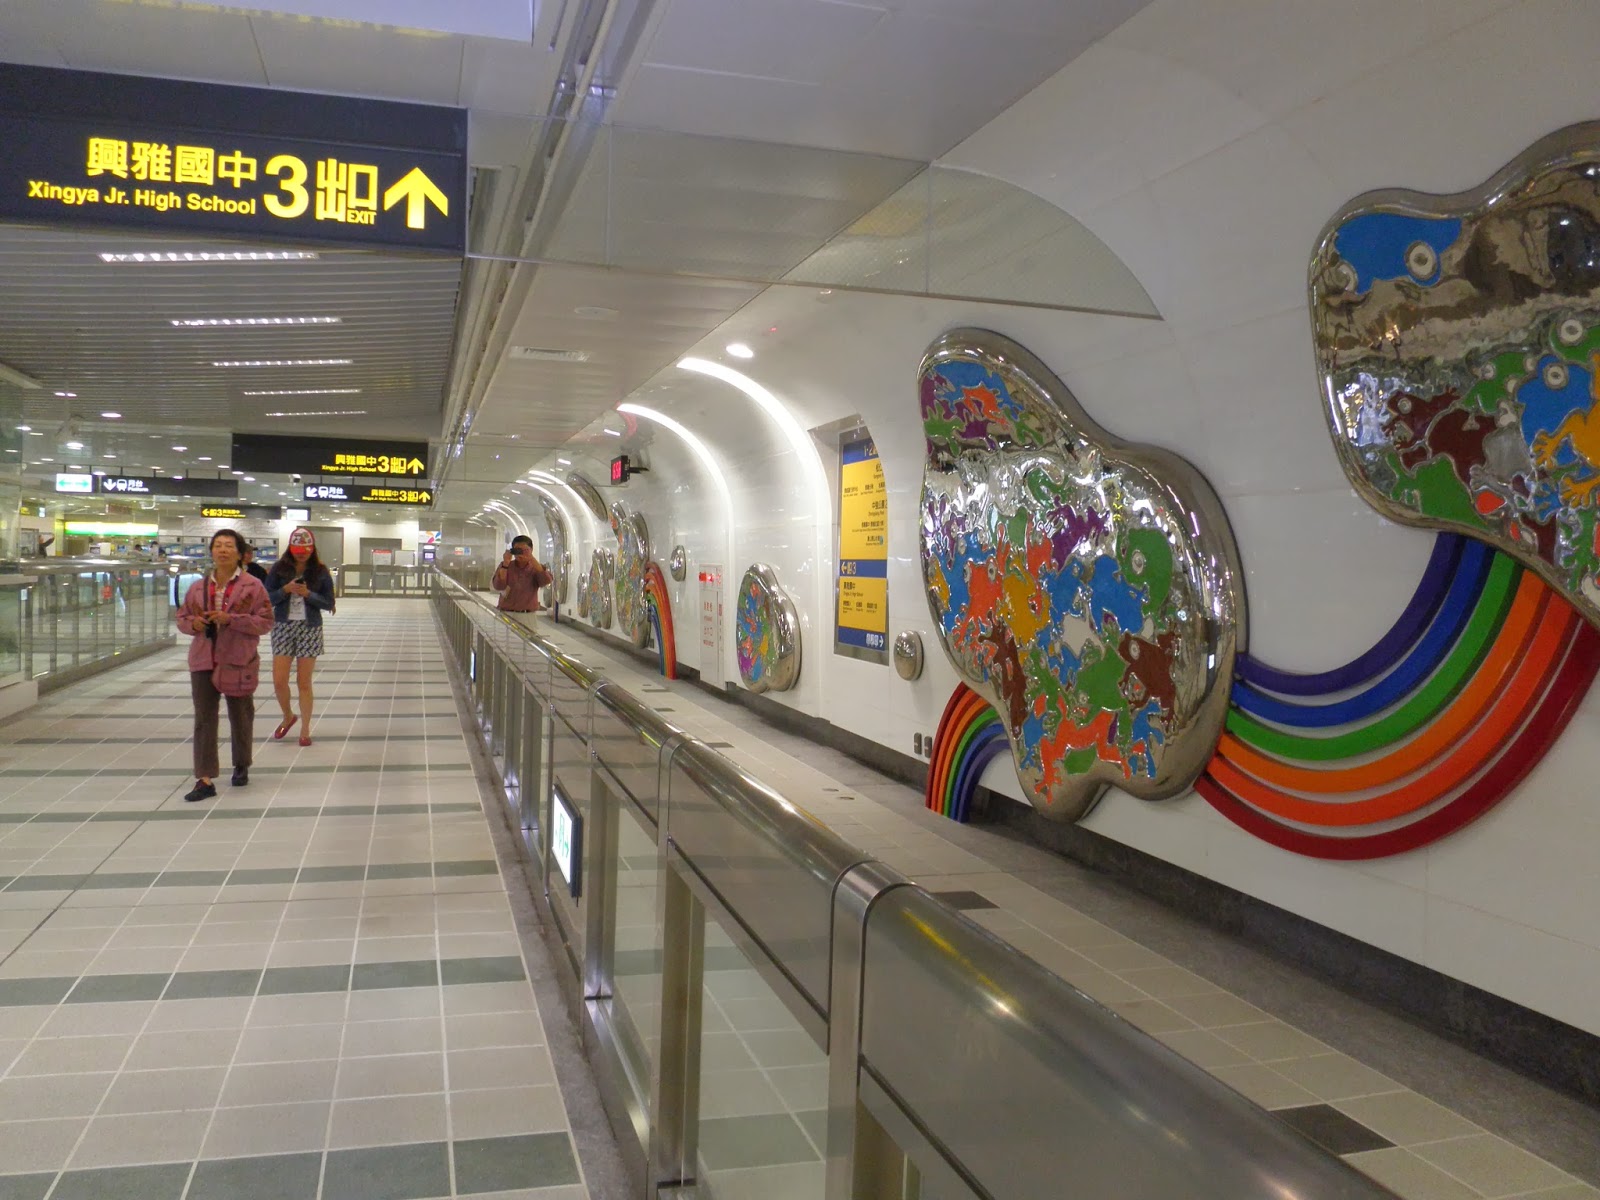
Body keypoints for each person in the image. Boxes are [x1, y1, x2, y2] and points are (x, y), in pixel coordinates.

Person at [175, 528, 273, 803]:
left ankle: (241, 763)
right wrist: (194, 624)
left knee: (241, 714)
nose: (223, 550)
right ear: (211, 552)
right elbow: (182, 617)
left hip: (238, 659)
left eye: (229, 545)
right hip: (203, 658)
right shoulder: (198, 587)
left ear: (240, 554)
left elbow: (266, 621)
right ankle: (204, 778)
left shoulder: (253, 586)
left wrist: (232, 620)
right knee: (204, 718)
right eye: (218, 545)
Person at [266, 526, 335, 747]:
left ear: (312, 549)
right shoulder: (279, 569)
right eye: (297, 551)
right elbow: (266, 598)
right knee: (279, 681)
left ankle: (305, 729)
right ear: (290, 549)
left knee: (303, 682)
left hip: (309, 627)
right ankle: (288, 716)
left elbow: (329, 602)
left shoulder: (320, 571)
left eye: (305, 550)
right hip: (283, 626)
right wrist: (285, 590)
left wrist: (308, 594)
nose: (302, 554)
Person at [492, 535, 554, 627]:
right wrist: (505, 564)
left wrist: (531, 558)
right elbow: (498, 586)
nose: (520, 553)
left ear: (531, 550)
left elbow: (546, 581)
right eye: (517, 550)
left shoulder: (535, 567)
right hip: (505, 612)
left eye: (524, 550)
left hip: (527, 615)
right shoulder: (506, 566)